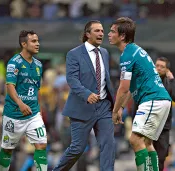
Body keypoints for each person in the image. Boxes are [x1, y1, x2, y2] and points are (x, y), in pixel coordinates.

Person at [108, 17, 172, 171]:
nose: (108, 34)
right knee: (147, 143)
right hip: (160, 100)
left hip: (152, 99)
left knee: (135, 139)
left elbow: (123, 88)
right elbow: (131, 88)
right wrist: (122, 106)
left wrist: (115, 110)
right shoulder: (136, 50)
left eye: (112, 31)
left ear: (122, 36)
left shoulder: (127, 55)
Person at [53, 20, 115, 171]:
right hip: (82, 107)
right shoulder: (74, 54)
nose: (101, 34)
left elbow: (105, 79)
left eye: (102, 31)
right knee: (77, 148)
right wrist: (87, 94)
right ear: (87, 34)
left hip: (103, 107)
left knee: (109, 145)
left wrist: (115, 105)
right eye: (97, 31)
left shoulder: (105, 53)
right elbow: (72, 79)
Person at [0, 30, 47, 171]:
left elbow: (37, 90)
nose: (37, 44)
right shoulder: (14, 63)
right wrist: (20, 104)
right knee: (7, 149)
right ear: (24, 44)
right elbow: (10, 87)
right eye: (33, 41)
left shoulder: (38, 65)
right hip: (14, 114)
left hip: (33, 113)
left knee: (41, 144)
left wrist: (40, 110)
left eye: (38, 41)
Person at [154, 57, 175, 171]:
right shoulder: (148, 80)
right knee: (148, 156)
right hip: (149, 125)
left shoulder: (169, 82)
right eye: (157, 65)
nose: (158, 68)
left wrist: (171, 79)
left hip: (164, 127)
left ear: (167, 70)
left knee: (161, 157)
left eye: (162, 67)